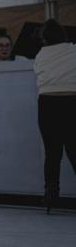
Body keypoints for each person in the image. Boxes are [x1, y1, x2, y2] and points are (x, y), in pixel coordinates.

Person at [32, 18, 76, 213]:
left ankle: (51, 195)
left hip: (47, 104)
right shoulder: (74, 49)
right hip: (71, 101)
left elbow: (37, 74)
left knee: (52, 153)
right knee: (74, 150)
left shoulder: (40, 55)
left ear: (45, 38)